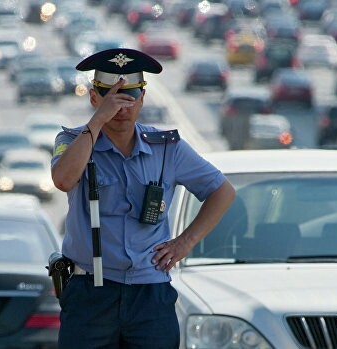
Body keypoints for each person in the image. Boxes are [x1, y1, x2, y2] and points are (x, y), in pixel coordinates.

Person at [50, 48, 236, 349]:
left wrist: (184, 242)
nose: (122, 108)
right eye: (113, 99)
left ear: (142, 99)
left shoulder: (167, 148)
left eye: (130, 98)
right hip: (91, 291)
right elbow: (63, 179)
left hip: (149, 292)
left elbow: (222, 191)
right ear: (94, 98)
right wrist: (97, 122)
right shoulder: (73, 141)